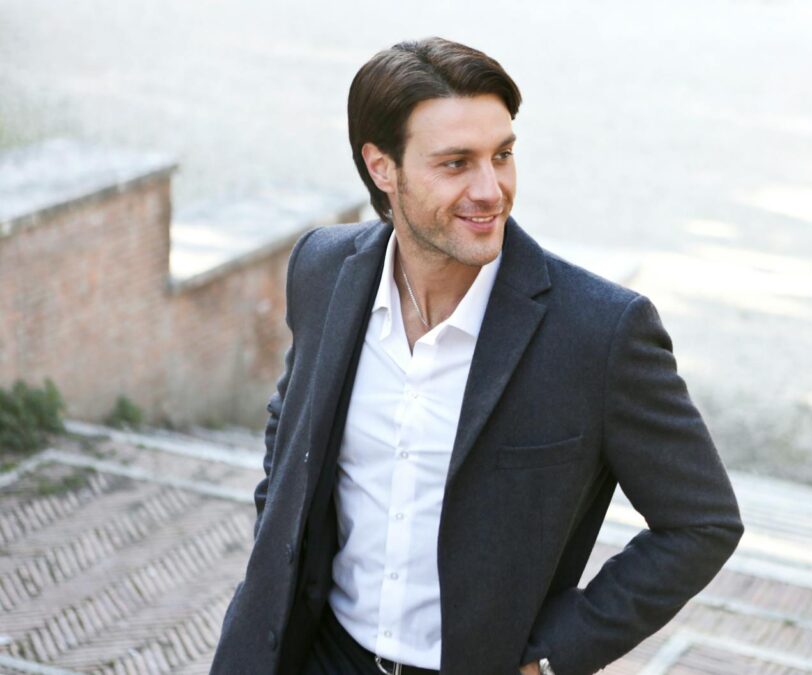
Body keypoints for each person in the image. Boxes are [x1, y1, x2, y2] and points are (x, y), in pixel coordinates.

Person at [211, 37, 743, 675]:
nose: (491, 189)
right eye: (457, 163)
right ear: (383, 167)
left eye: (503, 155)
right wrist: (277, 556)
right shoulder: (322, 267)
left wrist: (553, 658)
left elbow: (701, 521)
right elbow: (290, 423)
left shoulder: (599, 332)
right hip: (314, 655)